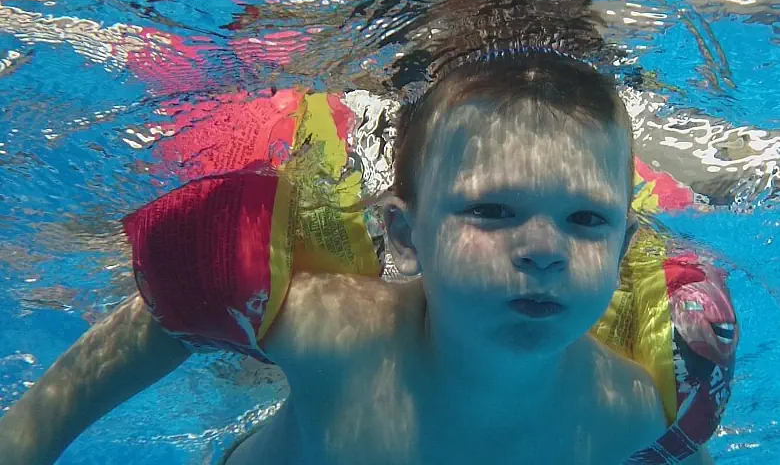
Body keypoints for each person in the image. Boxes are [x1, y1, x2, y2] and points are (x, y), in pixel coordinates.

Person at [0, 48, 716, 464]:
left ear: (625, 248)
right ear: (404, 235)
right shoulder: (339, 335)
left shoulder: (632, 408)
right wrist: (29, 438)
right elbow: (165, 318)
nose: (542, 251)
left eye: (586, 220)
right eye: (492, 211)